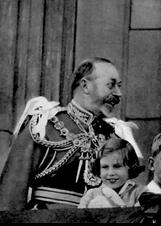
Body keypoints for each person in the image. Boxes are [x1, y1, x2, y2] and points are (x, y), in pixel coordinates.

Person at [0, 57, 142, 210]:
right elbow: (9, 198)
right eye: (111, 85)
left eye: (119, 86)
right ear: (85, 86)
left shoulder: (114, 135)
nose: (118, 93)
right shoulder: (44, 126)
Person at [78, 138, 146, 208]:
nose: (110, 173)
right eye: (105, 167)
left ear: (130, 167)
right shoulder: (92, 194)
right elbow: (79, 217)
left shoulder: (141, 193)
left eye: (117, 166)